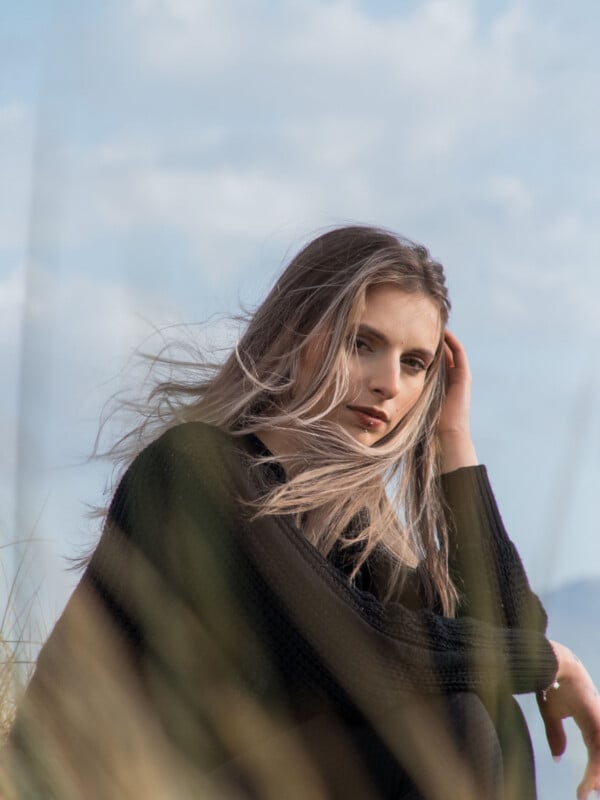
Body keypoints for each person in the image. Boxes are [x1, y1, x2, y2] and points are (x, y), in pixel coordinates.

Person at [4, 225, 600, 800]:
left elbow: (507, 633)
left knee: (492, 718)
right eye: (361, 344)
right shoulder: (193, 467)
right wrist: (551, 663)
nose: (389, 383)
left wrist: (453, 440)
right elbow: (362, 651)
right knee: (454, 726)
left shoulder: (346, 535)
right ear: (296, 335)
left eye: (415, 364)